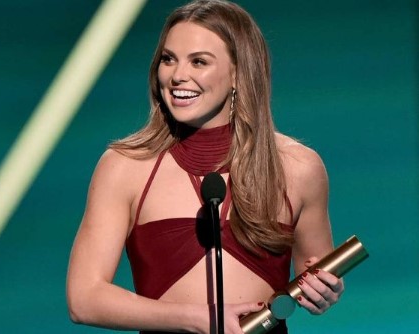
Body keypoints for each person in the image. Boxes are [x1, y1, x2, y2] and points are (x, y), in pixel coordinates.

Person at [66, 0, 344, 333]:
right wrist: (197, 319)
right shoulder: (125, 166)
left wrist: (323, 293)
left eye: (199, 62)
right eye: (168, 59)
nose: (178, 75)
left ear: (239, 73)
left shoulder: (298, 168)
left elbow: (313, 277)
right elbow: (84, 298)